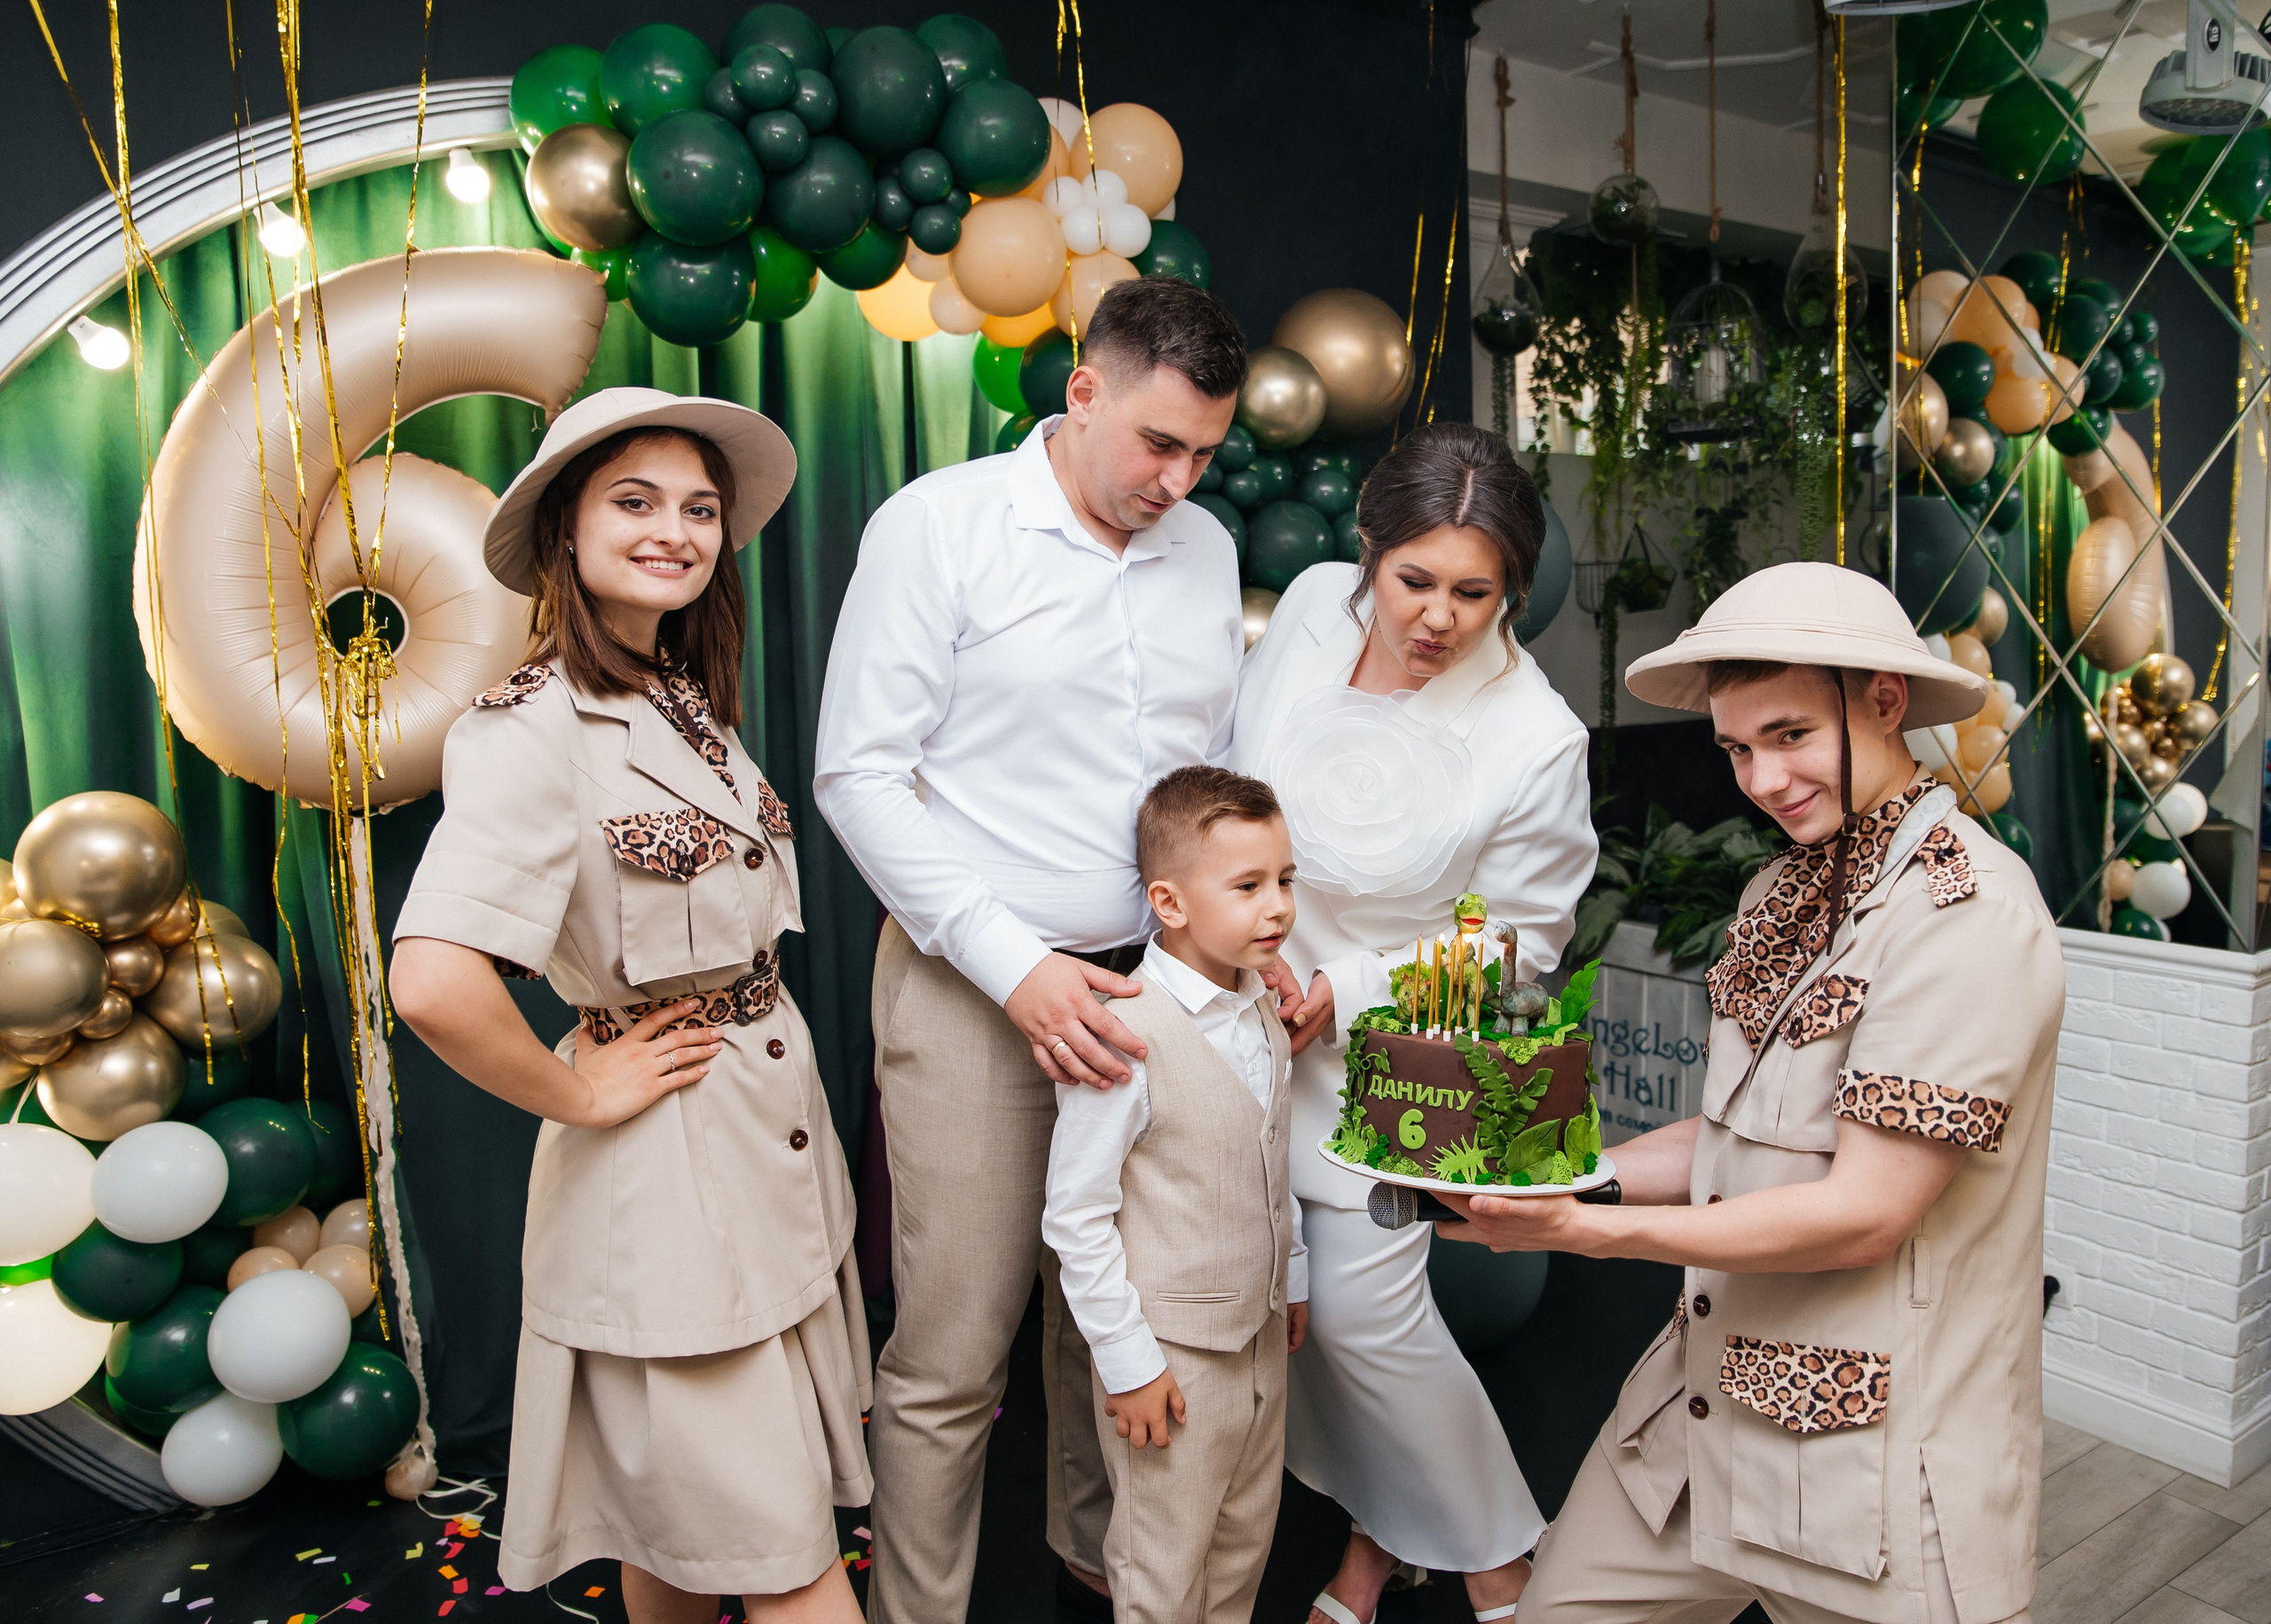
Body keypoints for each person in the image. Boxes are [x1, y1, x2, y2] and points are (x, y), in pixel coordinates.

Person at [1442, 561, 2063, 1624]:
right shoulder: (1778, 886)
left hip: (1869, 1458)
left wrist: (1579, 1236)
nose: (1762, 778)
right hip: (1701, 1408)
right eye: (1736, 747)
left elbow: (1866, 1214)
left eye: (1788, 735)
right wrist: (1560, 1177)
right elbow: (1732, 1140)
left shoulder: (1966, 913)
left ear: (1882, 701)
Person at [813, 277, 1263, 1623]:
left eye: (1204, 454)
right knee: (954, 1346)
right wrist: (1017, 965)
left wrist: (1237, 941)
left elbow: (1211, 772)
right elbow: (859, 775)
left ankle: (1096, 1577)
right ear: (1083, 390)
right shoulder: (939, 528)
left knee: (1108, 1326)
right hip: (974, 985)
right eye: (1158, 444)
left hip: (1153, 980)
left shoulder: (1208, 551)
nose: (1180, 480)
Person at [389, 388, 868, 1624]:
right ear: (567, 526)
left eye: (700, 508)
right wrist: (579, 1084)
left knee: (677, 1531)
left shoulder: (680, 702)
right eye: (635, 501)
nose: (677, 530)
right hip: (671, 1184)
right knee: (785, 1566)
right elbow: (435, 980)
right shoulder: (528, 726)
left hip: (763, 1154)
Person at [1230, 422, 1597, 1624]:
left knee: (1363, 1317)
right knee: (1288, 1318)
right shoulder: (1307, 620)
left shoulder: (1534, 735)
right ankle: (1379, 1543)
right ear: (1367, 551)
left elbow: (1525, 945)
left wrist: (1356, 986)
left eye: (1475, 591)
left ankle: (1502, 1561)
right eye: (1416, 579)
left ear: (1515, 589)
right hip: (1244, 1015)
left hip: (1401, 1055)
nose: (1439, 615)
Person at [1042, 765, 1309, 1624]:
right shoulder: (1123, 1031)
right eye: (1247, 886)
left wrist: (1292, 1277)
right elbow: (1075, 1217)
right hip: (1170, 1357)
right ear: (1169, 901)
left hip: (1259, 1337)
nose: (1277, 907)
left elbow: (1272, 1154)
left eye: (1284, 881)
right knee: (1161, 1562)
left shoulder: (1260, 1007)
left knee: (1240, 1548)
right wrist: (1127, 1364)